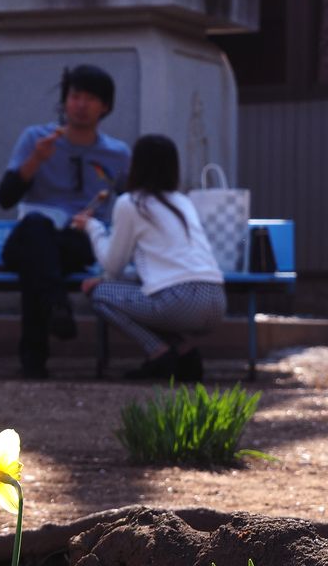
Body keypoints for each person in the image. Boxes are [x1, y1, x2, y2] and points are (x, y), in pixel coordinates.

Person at [0, 65, 131, 379]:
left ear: (105, 107)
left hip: (79, 240)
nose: (80, 105)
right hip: (34, 233)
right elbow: (5, 197)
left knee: (39, 261)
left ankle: (34, 358)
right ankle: (57, 305)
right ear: (65, 101)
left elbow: (133, 202)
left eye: (90, 99)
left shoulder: (117, 153)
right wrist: (36, 161)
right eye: (75, 96)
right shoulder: (36, 138)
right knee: (36, 232)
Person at [71, 134, 226, 381]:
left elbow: (113, 265)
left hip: (178, 300)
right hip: (216, 300)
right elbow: (164, 267)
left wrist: (92, 227)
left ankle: (160, 354)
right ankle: (185, 353)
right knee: (146, 300)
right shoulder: (183, 202)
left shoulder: (131, 203)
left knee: (100, 295)